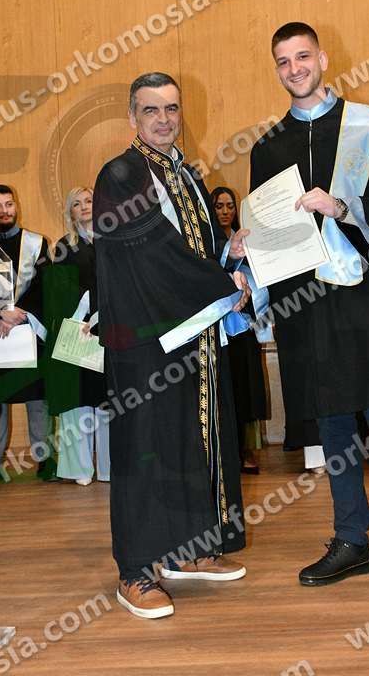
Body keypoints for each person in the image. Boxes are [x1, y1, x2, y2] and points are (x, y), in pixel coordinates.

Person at [249, 22, 369, 597]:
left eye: (302, 56)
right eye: (283, 61)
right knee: (333, 424)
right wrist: (248, 252)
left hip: (366, 295)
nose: (294, 69)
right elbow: (268, 232)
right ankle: (351, 541)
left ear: (324, 58)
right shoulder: (268, 146)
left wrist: (341, 206)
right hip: (307, 307)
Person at [93, 72, 251, 620]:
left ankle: (187, 548)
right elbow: (154, 251)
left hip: (192, 333)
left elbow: (195, 248)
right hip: (144, 341)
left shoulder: (185, 173)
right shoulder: (121, 174)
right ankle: (135, 570)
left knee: (189, 441)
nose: (163, 119)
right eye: (151, 109)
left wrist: (228, 254)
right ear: (131, 116)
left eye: (171, 108)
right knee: (146, 447)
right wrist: (218, 283)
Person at [0, 185, 55, 483]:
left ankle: (44, 458)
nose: (5, 211)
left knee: (37, 398)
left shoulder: (36, 244)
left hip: (30, 327)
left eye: (9, 204)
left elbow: (47, 287)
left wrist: (19, 315)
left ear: (16, 206)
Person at [46, 187, 110, 486]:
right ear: (69, 211)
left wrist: (102, 313)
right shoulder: (63, 247)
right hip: (78, 330)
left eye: (89, 201)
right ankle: (79, 469)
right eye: (76, 203)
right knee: (78, 402)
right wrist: (85, 313)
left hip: (110, 329)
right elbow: (57, 293)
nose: (84, 206)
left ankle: (110, 468)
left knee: (108, 402)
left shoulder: (114, 242)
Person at [211, 186, 267, 474]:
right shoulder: (208, 241)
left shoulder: (246, 240)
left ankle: (246, 450)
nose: (225, 211)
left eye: (229, 205)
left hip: (244, 323)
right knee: (224, 389)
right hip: (216, 325)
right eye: (219, 206)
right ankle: (225, 451)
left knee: (245, 388)